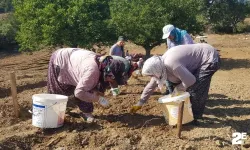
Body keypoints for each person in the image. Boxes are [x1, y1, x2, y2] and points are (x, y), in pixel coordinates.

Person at [130, 43, 220, 125]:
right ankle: (186, 111)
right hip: (199, 58)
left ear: (155, 70)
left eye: (151, 74)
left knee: (196, 89)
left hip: (209, 58)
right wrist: (140, 103)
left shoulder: (171, 64)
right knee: (179, 84)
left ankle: (195, 118)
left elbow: (190, 81)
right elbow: (151, 86)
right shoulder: (159, 66)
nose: (152, 77)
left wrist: (177, 90)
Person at [47, 48, 126, 123]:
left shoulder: (105, 64)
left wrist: (98, 92)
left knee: (86, 86)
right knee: (58, 90)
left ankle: (86, 113)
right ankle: (55, 115)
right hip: (60, 59)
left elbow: (103, 82)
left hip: (76, 62)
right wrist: (99, 99)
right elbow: (79, 93)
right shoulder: (93, 71)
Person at [162, 24, 194, 94]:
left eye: (169, 35)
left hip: (187, 59)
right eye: (167, 36)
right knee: (167, 69)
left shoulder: (184, 35)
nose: (169, 37)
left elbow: (189, 50)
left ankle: (187, 92)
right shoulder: (169, 39)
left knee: (185, 75)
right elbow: (170, 50)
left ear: (173, 32)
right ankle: (170, 91)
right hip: (176, 59)